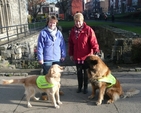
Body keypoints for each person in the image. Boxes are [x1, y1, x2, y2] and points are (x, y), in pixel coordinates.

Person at [68, 13, 100, 94]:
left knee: (86, 73)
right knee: (79, 73)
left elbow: (93, 41)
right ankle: (79, 87)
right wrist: (71, 54)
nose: (77, 23)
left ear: (82, 21)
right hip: (77, 55)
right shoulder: (72, 31)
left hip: (87, 56)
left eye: (79, 21)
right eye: (76, 21)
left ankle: (85, 88)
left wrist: (96, 50)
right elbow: (71, 43)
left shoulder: (88, 30)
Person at [37, 15, 66, 100]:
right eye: (50, 22)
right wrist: (40, 58)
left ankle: (57, 90)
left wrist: (63, 55)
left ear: (56, 23)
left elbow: (62, 45)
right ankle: (44, 93)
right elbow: (40, 46)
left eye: (54, 23)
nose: (52, 24)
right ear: (47, 22)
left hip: (57, 57)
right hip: (47, 58)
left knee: (57, 76)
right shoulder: (43, 33)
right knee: (46, 76)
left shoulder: (59, 33)